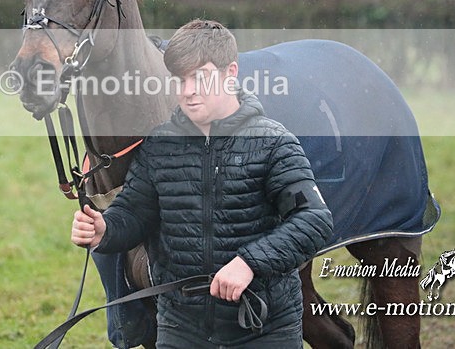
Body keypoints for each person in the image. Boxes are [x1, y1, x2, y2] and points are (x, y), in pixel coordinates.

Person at [71, 19, 334, 348]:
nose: (188, 90)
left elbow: (314, 220)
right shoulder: (158, 148)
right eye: (180, 80)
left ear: (231, 72)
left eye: (200, 77)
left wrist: (250, 263)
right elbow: (134, 214)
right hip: (182, 328)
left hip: (264, 326)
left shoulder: (273, 143)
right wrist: (104, 230)